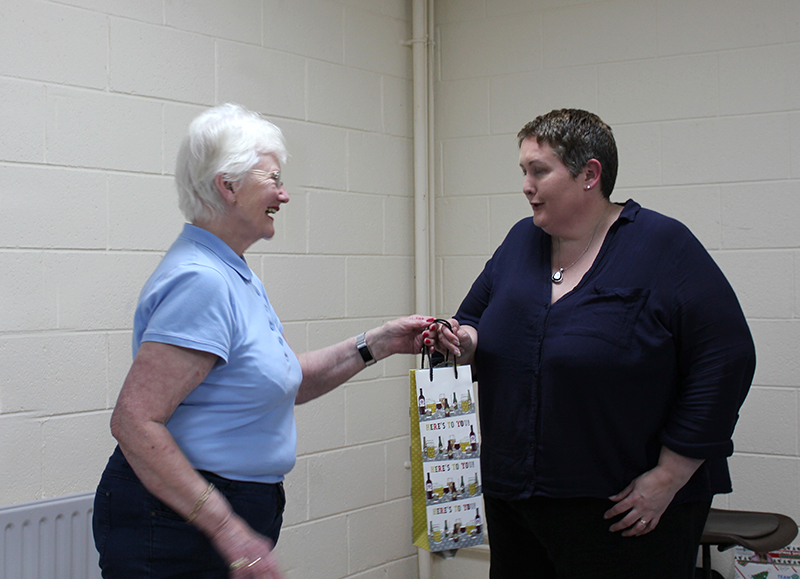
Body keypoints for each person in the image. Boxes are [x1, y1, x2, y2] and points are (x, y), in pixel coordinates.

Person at [92, 103, 432, 579]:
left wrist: (378, 342)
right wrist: (227, 528)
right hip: (172, 527)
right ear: (227, 186)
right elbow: (133, 421)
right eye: (273, 179)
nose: (284, 195)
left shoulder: (231, 271)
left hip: (208, 515)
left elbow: (283, 380)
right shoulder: (203, 280)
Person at [426, 109, 755, 579]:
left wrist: (669, 476)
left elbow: (726, 357)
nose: (526, 185)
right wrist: (460, 340)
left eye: (539, 170)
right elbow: (474, 322)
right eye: (523, 171)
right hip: (513, 498)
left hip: (622, 511)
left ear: (589, 174)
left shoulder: (662, 245)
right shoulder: (521, 242)